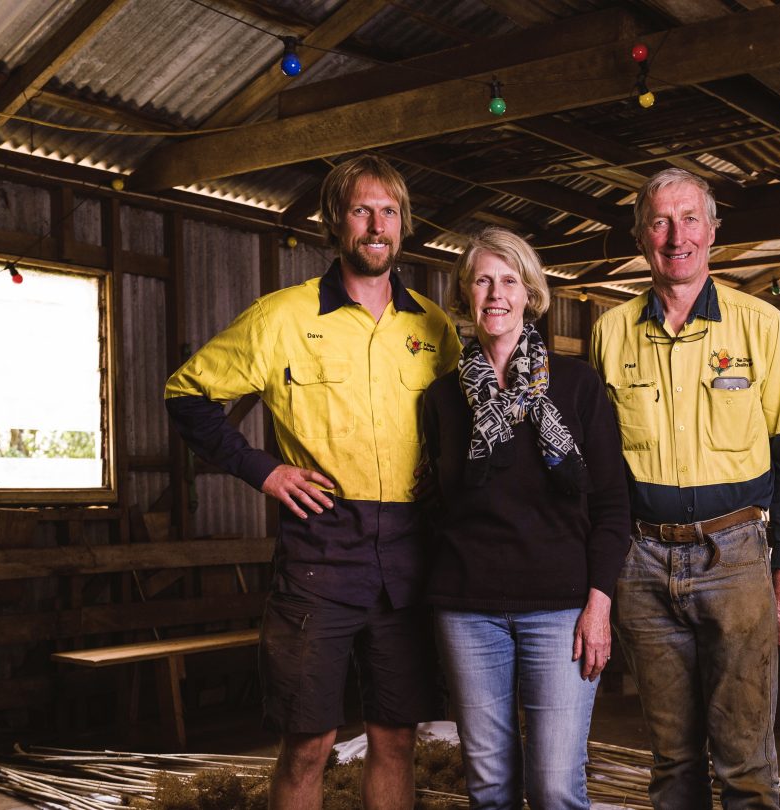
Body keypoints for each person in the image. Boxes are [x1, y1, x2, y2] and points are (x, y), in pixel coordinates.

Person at [163, 155, 461, 810]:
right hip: (321, 548)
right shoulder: (282, 317)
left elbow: (460, 426)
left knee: (395, 736)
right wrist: (262, 470)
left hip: (411, 549)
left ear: (404, 225)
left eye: (389, 211)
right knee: (309, 740)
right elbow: (186, 395)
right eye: (362, 210)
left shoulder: (434, 329)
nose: (376, 225)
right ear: (336, 221)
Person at [589, 169, 780, 809]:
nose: (675, 236)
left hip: (737, 556)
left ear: (713, 231)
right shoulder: (612, 332)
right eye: (659, 222)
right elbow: (599, 474)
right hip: (642, 561)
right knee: (672, 764)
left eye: (690, 219)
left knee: (745, 763)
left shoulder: (760, 325)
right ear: (641, 237)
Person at [420, 227, 630, 809]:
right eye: (483, 280)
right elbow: (435, 507)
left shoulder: (577, 387)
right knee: (489, 789)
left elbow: (612, 504)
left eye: (509, 280)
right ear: (465, 293)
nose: (496, 293)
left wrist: (599, 602)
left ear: (530, 293)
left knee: (556, 785)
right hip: (468, 613)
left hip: (561, 610)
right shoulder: (441, 399)